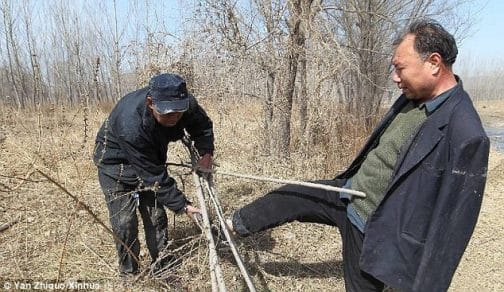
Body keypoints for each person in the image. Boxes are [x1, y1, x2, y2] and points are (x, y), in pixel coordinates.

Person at [226, 19, 489, 291]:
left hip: (374, 230)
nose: (394, 77)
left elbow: (451, 233)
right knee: (293, 195)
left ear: (434, 63)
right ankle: (234, 224)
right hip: (350, 195)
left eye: (400, 68)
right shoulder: (414, 96)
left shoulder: (466, 134)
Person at [93, 73, 214, 277]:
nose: (175, 117)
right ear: (151, 102)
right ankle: (130, 273)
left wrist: (206, 152)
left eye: (179, 112)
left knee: (156, 218)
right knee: (125, 223)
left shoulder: (185, 103)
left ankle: (163, 266)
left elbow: (202, 126)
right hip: (116, 165)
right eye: (168, 113)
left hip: (150, 160)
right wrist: (183, 205)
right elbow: (152, 175)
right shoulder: (130, 123)